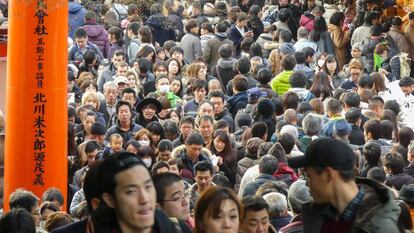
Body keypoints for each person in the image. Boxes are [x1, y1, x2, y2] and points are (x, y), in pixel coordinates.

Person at [288, 137, 401, 233]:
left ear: (328, 175)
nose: (307, 184)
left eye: (309, 176)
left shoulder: (382, 227)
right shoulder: (317, 213)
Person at [92, 152, 191, 233]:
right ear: (110, 200)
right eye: (131, 191)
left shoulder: (177, 229)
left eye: (148, 187)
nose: (144, 199)